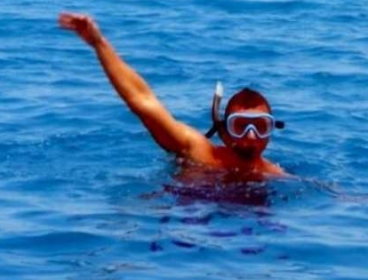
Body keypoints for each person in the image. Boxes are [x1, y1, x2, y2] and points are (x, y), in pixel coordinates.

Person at [58, 12, 285, 176]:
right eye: (241, 125)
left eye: (261, 126)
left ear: (271, 131)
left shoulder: (274, 174)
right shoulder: (196, 151)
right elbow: (142, 101)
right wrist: (99, 44)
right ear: (225, 130)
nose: (252, 135)